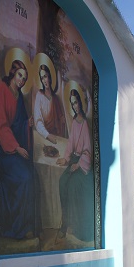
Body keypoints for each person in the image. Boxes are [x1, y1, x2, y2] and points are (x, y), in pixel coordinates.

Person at [0, 59, 36, 239]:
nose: (21, 80)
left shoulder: (19, 96)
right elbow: (2, 125)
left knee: (32, 175)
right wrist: (16, 148)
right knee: (25, 177)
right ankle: (16, 228)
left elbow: (18, 124)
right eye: (20, 75)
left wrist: (27, 124)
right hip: (3, 149)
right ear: (13, 72)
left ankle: (23, 226)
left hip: (15, 147)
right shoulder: (2, 89)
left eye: (24, 78)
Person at [56, 89, 93, 242]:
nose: (74, 106)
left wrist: (78, 165)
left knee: (72, 186)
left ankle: (74, 226)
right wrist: (66, 159)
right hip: (73, 160)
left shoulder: (85, 124)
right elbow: (71, 143)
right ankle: (65, 223)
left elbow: (88, 150)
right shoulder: (74, 122)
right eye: (72, 104)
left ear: (80, 102)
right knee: (62, 182)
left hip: (83, 165)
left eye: (76, 103)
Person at [32, 64, 68, 143]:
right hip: (44, 136)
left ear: (50, 77)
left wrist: (63, 120)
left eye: (45, 76)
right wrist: (47, 135)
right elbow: (38, 121)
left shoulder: (55, 99)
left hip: (56, 137)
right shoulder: (39, 95)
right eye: (42, 78)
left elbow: (61, 121)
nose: (44, 80)